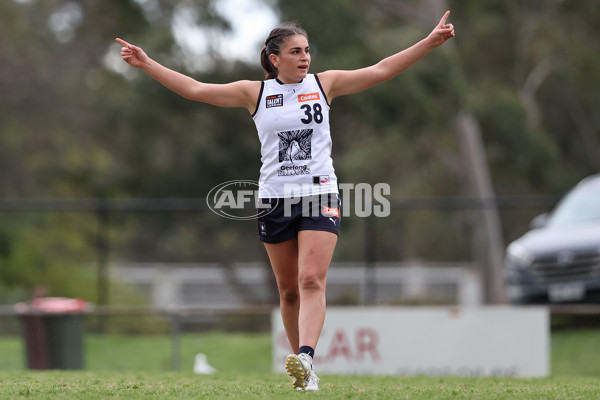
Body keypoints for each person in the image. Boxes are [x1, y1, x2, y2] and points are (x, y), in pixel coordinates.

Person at [117, 11, 454, 391]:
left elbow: (380, 69)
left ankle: (306, 356)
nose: (305, 57)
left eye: (307, 50)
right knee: (289, 290)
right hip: (275, 199)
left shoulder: (325, 84)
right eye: (296, 51)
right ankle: (305, 371)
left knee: (311, 279)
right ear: (275, 59)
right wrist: (146, 63)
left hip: (319, 193)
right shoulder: (255, 93)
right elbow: (195, 88)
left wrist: (429, 43)